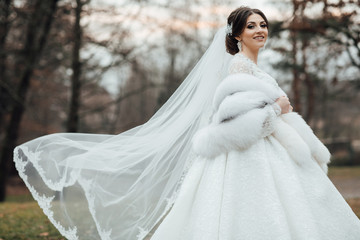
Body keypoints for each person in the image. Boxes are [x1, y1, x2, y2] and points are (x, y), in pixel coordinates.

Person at [13, 6, 360, 240]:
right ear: (237, 35)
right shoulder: (238, 67)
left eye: (263, 25)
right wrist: (277, 109)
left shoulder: (255, 69)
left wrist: (278, 110)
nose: (260, 30)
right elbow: (229, 119)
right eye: (251, 26)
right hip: (248, 155)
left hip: (269, 151)